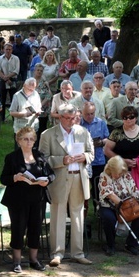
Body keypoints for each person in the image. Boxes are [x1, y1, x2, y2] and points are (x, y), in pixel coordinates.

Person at [39, 104, 94, 267]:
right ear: (60, 117)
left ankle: (78, 253)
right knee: (58, 214)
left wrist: (84, 156)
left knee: (78, 215)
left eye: (74, 118)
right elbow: (42, 160)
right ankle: (57, 253)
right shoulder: (47, 135)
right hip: (59, 177)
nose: (71, 122)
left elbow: (91, 153)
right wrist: (61, 160)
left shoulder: (83, 132)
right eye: (68, 118)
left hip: (78, 177)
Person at [0, 126, 53, 273]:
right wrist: (14, 178)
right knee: (18, 228)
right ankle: (17, 261)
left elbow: (51, 175)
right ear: (19, 141)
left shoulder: (40, 156)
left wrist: (47, 180)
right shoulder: (12, 157)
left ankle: (34, 260)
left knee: (35, 228)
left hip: (38, 199)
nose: (29, 142)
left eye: (31, 139)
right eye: (25, 139)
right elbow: (3, 178)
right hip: (18, 200)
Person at [97, 156, 139, 256]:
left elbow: (134, 190)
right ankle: (110, 245)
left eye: (121, 173)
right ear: (111, 170)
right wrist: (121, 205)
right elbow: (109, 193)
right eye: (117, 173)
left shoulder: (126, 175)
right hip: (109, 206)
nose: (119, 175)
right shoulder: (104, 176)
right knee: (109, 218)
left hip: (127, 206)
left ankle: (131, 244)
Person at [80, 102, 109, 208]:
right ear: (82, 112)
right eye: (87, 114)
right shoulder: (78, 124)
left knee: (98, 188)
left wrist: (100, 142)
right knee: (82, 189)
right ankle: (83, 211)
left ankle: (99, 210)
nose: (90, 116)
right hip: (83, 161)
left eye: (92, 113)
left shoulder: (101, 123)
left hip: (98, 159)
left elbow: (108, 139)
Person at [0, 43, 20, 122]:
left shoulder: (16, 58)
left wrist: (8, 77)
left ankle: (14, 118)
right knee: (2, 99)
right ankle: (2, 118)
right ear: (3, 50)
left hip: (13, 80)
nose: (8, 51)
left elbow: (16, 71)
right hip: (2, 80)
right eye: (6, 49)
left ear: (12, 50)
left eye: (9, 49)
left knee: (14, 99)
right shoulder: (0, 59)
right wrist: (5, 79)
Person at [32, 64, 53, 137]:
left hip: (42, 109)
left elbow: (49, 96)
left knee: (42, 129)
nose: (39, 72)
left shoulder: (44, 83)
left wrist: (40, 105)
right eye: (38, 70)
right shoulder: (30, 81)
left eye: (41, 71)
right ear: (34, 71)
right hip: (31, 109)